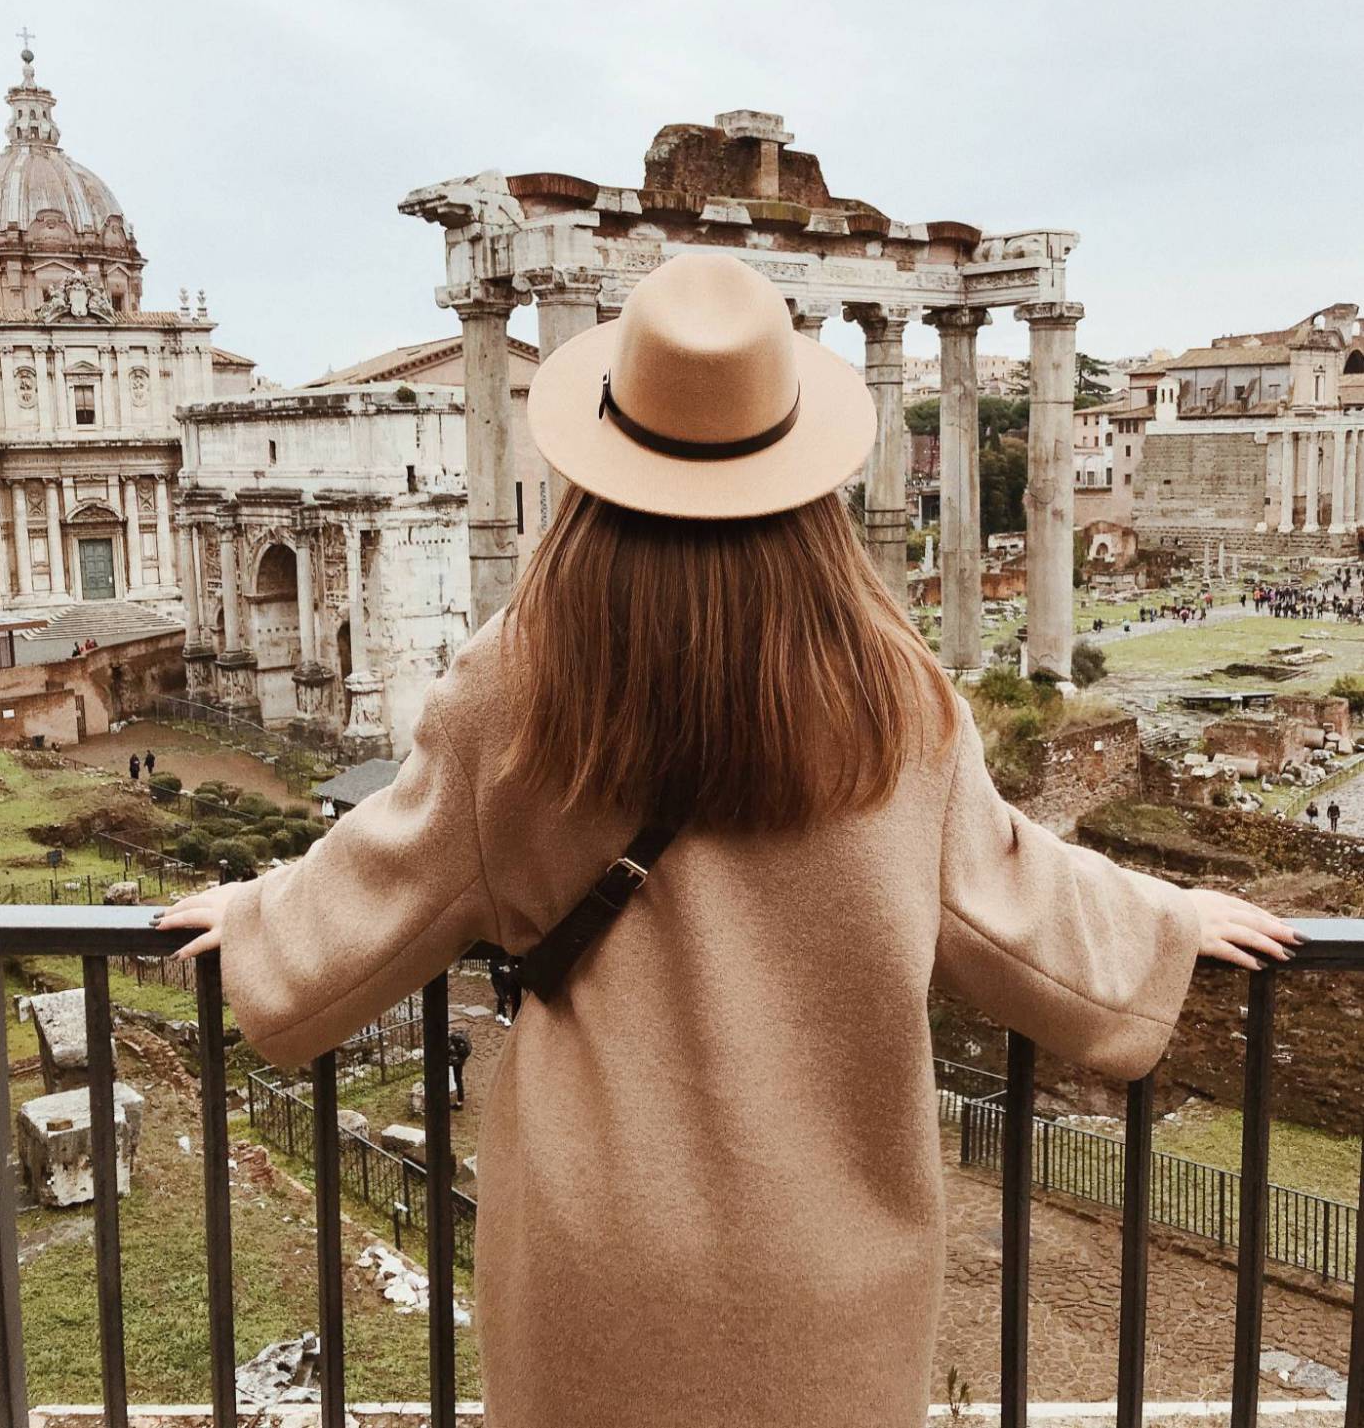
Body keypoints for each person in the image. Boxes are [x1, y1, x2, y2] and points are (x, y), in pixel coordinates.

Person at [155, 253, 1301, 1428]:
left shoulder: (516, 685)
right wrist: (1164, 921)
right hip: (828, 1264)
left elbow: (381, 886)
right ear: (802, 472)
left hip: (593, 1253)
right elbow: (1006, 892)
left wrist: (254, 918)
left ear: (599, 458)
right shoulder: (890, 696)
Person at [489, 949, 523, 1027]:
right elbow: (492, 970)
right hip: (497, 982)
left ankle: (498, 1013)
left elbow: (510, 966)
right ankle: (505, 1017)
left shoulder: (507, 957)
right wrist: (503, 970)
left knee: (502, 997)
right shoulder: (493, 958)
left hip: (505, 981)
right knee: (503, 997)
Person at [448, 1027, 472, 1111]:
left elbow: (452, 1057)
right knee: (458, 1079)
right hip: (460, 1059)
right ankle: (460, 1099)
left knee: (457, 1079)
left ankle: (459, 1102)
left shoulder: (450, 1043)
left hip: (457, 1060)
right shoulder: (454, 1037)